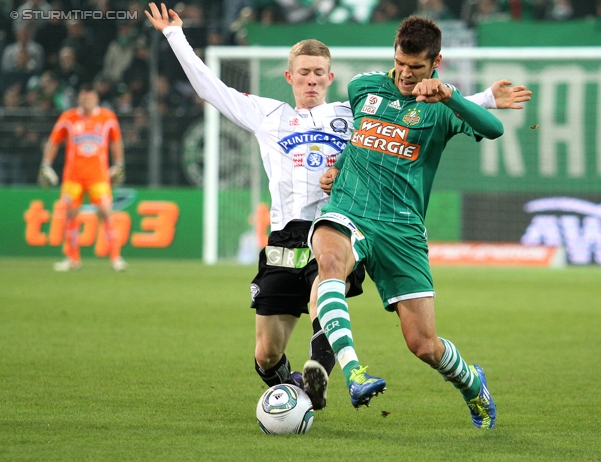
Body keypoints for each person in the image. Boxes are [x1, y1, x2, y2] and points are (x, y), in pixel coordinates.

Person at [145, 2, 529, 412]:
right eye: (303, 73)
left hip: (360, 225)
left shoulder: (348, 112)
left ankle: (335, 380)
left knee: (371, 316)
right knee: (266, 353)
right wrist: (175, 35)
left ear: (330, 78)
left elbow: (417, 111)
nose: (311, 80)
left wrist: (483, 98)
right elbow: (212, 89)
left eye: (318, 73)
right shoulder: (276, 114)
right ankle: (299, 388)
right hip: (298, 233)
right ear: (289, 77)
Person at [309, 15, 504, 429]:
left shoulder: (442, 109)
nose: (405, 72)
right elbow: (362, 136)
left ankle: (473, 385)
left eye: (415, 66)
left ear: (436, 62)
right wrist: (340, 167)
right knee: (328, 263)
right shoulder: (364, 86)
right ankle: (354, 373)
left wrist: (450, 96)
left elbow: (494, 128)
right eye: (400, 62)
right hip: (349, 209)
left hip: (401, 228)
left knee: (423, 344)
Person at [39, 83, 127, 272]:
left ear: (96, 99)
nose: (87, 101)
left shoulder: (107, 118)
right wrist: (46, 164)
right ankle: (72, 258)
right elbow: (54, 141)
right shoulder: (68, 118)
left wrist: (119, 164)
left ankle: (116, 258)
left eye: (90, 98)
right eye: (84, 98)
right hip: (73, 176)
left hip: (98, 175)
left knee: (106, 213)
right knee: (71, 215)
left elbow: (116, 141)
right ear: (79, 98)